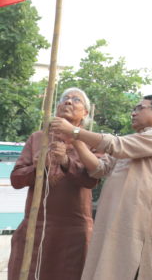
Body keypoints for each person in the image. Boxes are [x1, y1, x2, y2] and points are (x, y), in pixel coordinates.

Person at [50, 93, 152, 280]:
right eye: (134, 109)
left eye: (140, 108)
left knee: (132, 269)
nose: (134, 113)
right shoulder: (133, 141)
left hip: (139, 223)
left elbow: (115, 145)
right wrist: (75, 139)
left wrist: (75, 131)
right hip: (114, 220)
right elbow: (99, 168)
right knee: (106, 270)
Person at [7, 88, 98, 280]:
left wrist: (65, 161)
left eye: (76, 100)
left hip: (73, 230)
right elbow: (16, 179)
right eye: (65, 98)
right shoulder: (38, 138)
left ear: (86, 113)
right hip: (35, 225)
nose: (68, 102)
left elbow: (91, 180)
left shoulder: (91, 141)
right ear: (56, 107)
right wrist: (39, 167)